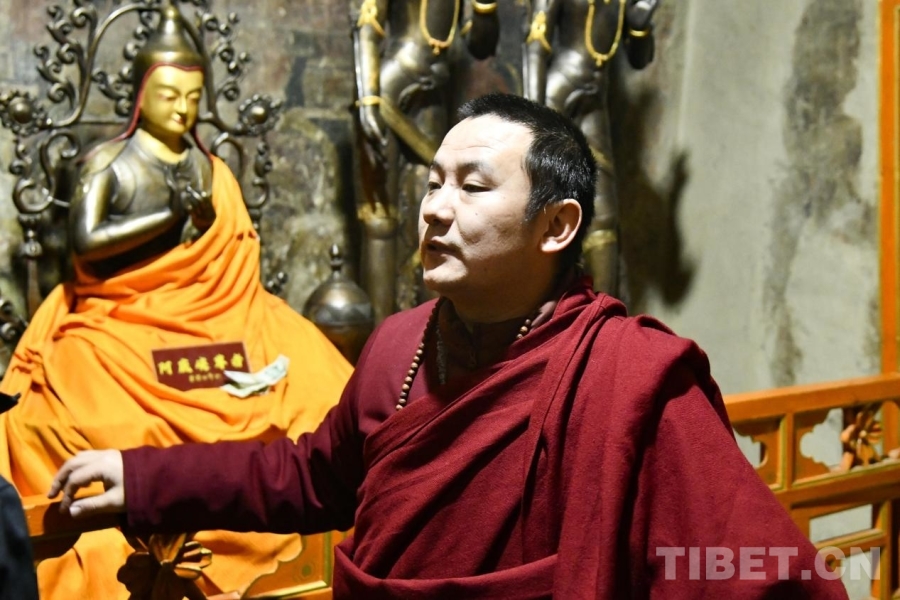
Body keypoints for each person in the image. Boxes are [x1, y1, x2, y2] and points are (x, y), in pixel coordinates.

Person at [51, 93, 848, 599]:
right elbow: (308, 477)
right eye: (432, 181)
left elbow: (756, 574)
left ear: (557, 225)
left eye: (472, 185)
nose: (434, 208)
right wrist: (142, 478)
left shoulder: (631, 378)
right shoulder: (399, 344)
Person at [0, 2, 351, 598]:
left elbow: (231, 252)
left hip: (215, 305)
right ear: (142, 96)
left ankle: (314, 564)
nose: (182, 108)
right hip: (119, 308)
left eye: (192, 96)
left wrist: (202, 214)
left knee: (320, 381)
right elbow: (86, 244)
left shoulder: (207, 168)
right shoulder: (109, 162)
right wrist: (170, 213)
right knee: (78, 393)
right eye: (168, 95)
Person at [351, 0, 499, 321]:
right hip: (387, 93)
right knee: (380, 219)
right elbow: (366, 24)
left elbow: (481, 45)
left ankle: (430, 333)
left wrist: (485, 8)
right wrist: (367, 101)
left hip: (432, 100)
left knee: (436, 217)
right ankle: (379, 336)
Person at [523, 0, 660, 298]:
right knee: (541, 208)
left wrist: (640, 27)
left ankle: (602, 314)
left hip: (594, 101)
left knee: (605, 216)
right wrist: (534, 121)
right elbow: (536, 46)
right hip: (558, 95)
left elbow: (640, 59)